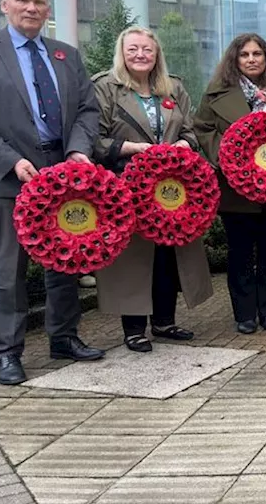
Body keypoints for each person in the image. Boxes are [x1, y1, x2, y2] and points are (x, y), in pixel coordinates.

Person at [0, 0, 104, 385]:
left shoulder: (66, 55)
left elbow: (89, 110)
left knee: (67, 260)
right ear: (4, 5)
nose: (32, 8)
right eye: (23, 0)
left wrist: (77, 151)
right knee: (8, 270)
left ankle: (64, 338)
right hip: (9, 180)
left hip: (65, 175)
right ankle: (8, 353)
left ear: (48, 9)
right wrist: (12, 160)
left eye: (39, 2)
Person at [92, 26, 212, 351]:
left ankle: (164, 322)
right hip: (127, 186)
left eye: (147, 49)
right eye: (133, 49)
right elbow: (95, 139)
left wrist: (186, 147)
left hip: (172, 188)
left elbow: (191, 130)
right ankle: (133, 329)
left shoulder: (172, 87)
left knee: (168, 254)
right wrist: (133, 148)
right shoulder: (105, 88)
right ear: (122, 52)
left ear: (156, 53)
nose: (141, 55)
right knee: (134, 259)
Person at [194, 33, 266, 334]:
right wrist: (226, 156)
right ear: (235, 59)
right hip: (236, 189)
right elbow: (201, 128)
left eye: (257, 54)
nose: (252, 59)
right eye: (245, 55)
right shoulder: (216, 93)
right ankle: (244, 314)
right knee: (240, 252)